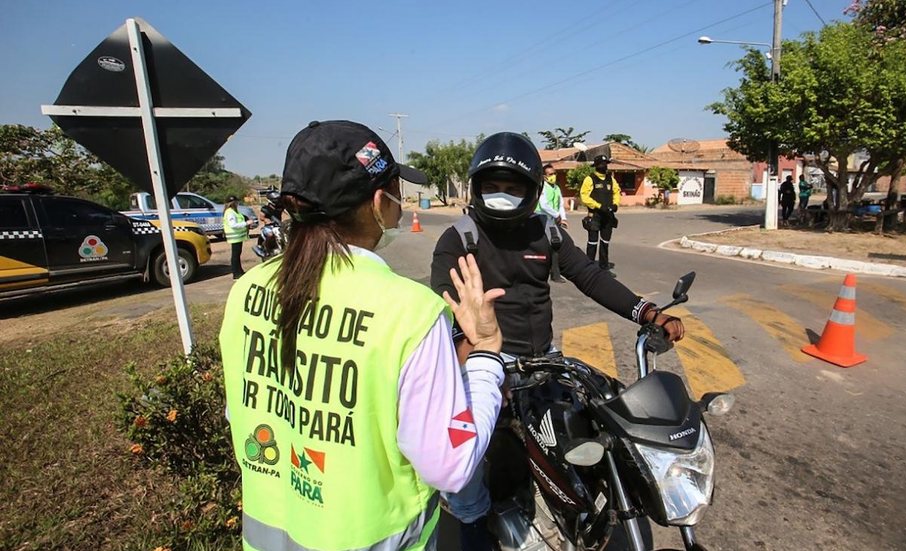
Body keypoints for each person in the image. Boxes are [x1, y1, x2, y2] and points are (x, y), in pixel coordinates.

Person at [219, 120, 507, 551]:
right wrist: (484, 356)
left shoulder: (247, 290)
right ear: (378, 203)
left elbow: (239, 410)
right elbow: (450, 465)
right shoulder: (409, 311)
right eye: (396, 193)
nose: (397, 205)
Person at [429, 132, 686, 551]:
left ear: (532, 192)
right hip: (485, 361)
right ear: (476, 188)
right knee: (468, 460)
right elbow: (445, 304)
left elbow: (591, 276)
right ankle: (474, 525)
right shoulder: (459, 238)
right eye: (493, 187)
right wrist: (475, 363)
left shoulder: (546, 233)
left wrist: (648, 312)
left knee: (582, 433)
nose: (502, 196)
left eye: (513, 188)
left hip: (544, 359)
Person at [579, 155, 620, 273]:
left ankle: (604, 265)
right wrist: (598, 206)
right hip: (595, 215)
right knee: (593, 241)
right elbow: (584, 196)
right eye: (601, 164)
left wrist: (615, 204)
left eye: (606, 164)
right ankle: (589, 266)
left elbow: (617, 191)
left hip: (608, 216)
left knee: (605, 241)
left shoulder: (610, 179)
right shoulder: (590, 179)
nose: (604, 166)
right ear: (596, 166)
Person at [535, 163, 567, 283]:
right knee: (542, 246)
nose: (553, 176)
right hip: (541, 219)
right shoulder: (542, 187)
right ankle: (541, 272)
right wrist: (556, 215)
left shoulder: (556, 188)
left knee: (555, 246)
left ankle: (555, 273)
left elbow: (560, 204)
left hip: (552, 220)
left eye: (554, 173)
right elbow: (543, 205)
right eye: (550, 174)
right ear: (544, 176)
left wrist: (563, 218)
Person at [223, 196, 249, 278]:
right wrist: (246, 223)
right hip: (235, 237)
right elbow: (233, 225)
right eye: (236, 202)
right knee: (235, 255)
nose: (238, 203)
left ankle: (239, 271)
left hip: (238, 236)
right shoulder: (230, 212)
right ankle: (236, 273)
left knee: (237, 254)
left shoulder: (234, 211)